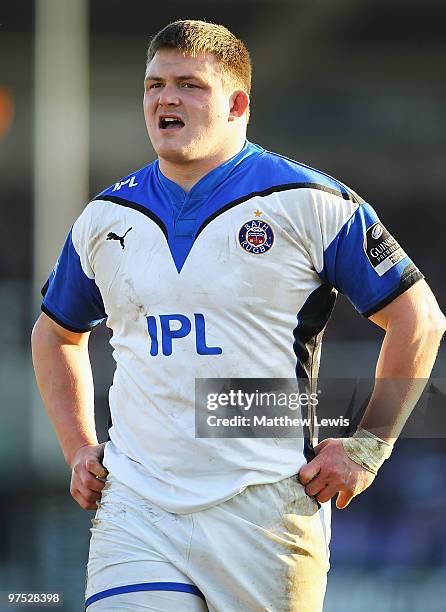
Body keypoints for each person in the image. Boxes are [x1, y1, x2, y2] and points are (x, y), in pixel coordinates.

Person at [31, 19, 445, 612]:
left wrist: (369, 445)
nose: (165, 99)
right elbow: (54, 337)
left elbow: (420, 320)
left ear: (236, 103)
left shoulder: (312, 204)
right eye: (154, 85)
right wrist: (77, 446)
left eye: (188, 85)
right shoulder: (104, 218)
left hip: (265, 506)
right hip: (138, 506)